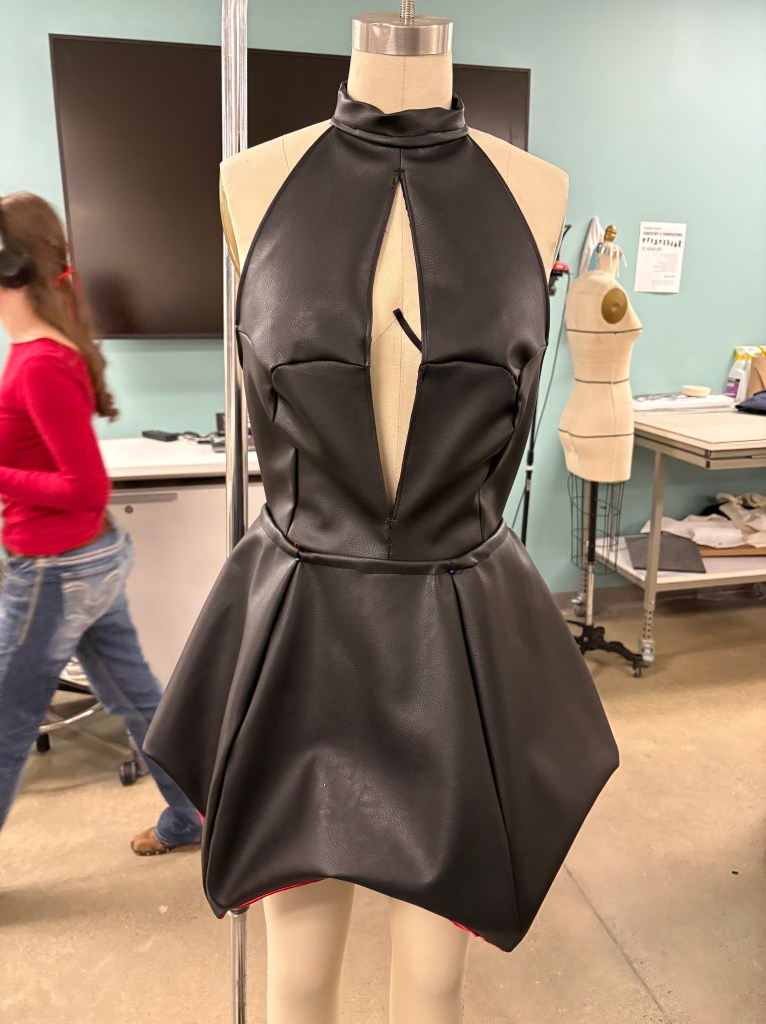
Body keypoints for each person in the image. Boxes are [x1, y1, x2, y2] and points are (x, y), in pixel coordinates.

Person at [0, 191, 201, 855]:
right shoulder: (37, 351)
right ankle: (195, 816)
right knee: (138, 699)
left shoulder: (40, 363)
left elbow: (86, 489)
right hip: (82, 562)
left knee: (5, 723)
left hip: (55, 568)